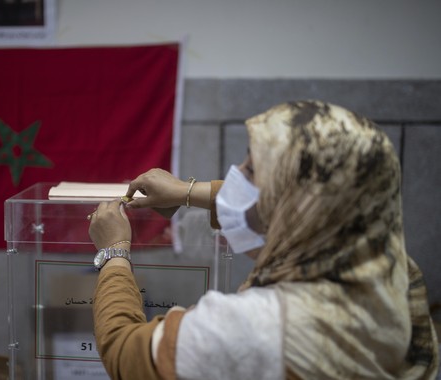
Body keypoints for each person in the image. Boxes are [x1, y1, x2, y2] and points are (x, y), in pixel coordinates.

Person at [87, 100, 439, 379]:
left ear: (296, 206)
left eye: (253, 171)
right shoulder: (393, 272)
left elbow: (123, 352)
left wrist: (113, 251)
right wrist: (187, 192)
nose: (235, 175)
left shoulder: (254, 330)